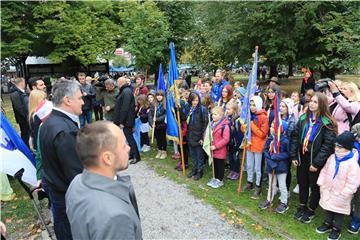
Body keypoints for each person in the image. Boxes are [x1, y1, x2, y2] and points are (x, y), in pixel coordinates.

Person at [66, 121, 142, 240]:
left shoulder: (77, 182)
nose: (128, 148)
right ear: (107, 158)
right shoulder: (116, 217)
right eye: (123, 146)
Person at [39, 79, 84, 239]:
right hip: (67, 200)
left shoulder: (49, 123)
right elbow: (76, 174)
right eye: (79, 98)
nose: (83, 102)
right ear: (67, 100)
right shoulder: (64, 130)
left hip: (58, 193)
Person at [291, 92, 337, 224]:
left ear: (322, 104)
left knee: (314, 185)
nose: (311, 103)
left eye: (315, 102)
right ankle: (302, 206)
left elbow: (328, 145)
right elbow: (295, 136)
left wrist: (316, 163)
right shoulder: (303, 118)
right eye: (311, 101)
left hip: (315, 158)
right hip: (303, 155)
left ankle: (311, 209)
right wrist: (294, 155)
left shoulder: (327, 123)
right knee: (302, 182)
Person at [316, 131, 360, 240]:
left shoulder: (352, 164)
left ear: (348, 147)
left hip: (341, 193)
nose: (337, 148)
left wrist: (345, 193)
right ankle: (327, 223)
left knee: (338, 212)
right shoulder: (332, 157)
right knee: (328, 208)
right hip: (329, 189)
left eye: (340, 147)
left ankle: (336, 229)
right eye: (336, 146)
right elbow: (325, 170)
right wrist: (321, 182)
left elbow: (353, 181)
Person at [259, 120, 290, 214]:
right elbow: (265, 150)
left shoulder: (285, 141)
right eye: (271, 126)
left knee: (282, 185)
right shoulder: (270, 139)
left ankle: (284, 202)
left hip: (281, 167)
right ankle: (269, 200)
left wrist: (278, 156)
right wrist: (270, 159)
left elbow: (288, 154)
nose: (271, 128)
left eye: (273, 127)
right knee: (271, 184)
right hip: (271, 165)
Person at [241, 96, 269, 199]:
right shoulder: (249, 115)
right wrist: (244, 127)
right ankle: (249, 181)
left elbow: (262, 134)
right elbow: (244, 129)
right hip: (249, 144)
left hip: (258, 145)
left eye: (254, 105)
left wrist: (252, 125)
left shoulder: (263, 117)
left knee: (258, 167)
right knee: (249, 165)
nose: (252, 107)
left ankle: (258, 186)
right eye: (251, 105)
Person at [114, 77, 140, 164]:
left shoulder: (126, 92)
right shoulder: (125, 91)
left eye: (117, 82)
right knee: (128, 138)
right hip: (127, 119)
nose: (116, 84)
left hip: (127, 119)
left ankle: (136, 156)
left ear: (120, 82)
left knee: (130, 138)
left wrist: (121, 121)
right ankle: (132, 155)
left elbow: (125, 108)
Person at [186, 92, 208, 181]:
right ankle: (194, 168)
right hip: (190, 135)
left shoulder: (202, 110)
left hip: (198, 136)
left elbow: (205, 124)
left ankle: (200, 170)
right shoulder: (189, 108)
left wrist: (203, 137)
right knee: (192, 154)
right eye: (193, 100)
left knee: (199, 155)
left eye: (197, 100)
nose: (195, 102)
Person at [207, 106, 230, 188]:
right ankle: (215, 177)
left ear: (220, 115)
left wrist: (216, 146)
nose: (213, 116)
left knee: (220, 165)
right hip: (212, 149)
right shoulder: (211, 124)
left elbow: (225, 139)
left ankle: (219, 180)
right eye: (212, 114)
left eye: (215, 114)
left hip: (220, 150)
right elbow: (208, 134)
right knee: (215, 164)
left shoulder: (225, 126)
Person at [225, 101, 243, 180]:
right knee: (230, 157)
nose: (227, 110)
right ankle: (231, 170)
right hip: (230, 142)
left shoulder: (238, 120)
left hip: (236, 143)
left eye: (229, 109)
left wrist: (239, 145)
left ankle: (236, 171)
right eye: (227, 109)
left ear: (234, 110)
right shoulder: (228, 118)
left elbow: (239, 134)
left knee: (235, 157)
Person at [10, 77, 30, 147]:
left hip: (25, 117)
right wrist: (26, 116)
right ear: (21, 83)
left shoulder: (22, 91)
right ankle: (26, 148)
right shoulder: (15, 93)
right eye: (24, 82)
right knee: (25, 134)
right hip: (22, 118)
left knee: (28, 133)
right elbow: (19, 107)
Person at [149, 90, 167, 159]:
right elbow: (150, 115)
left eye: (161, 95)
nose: (159, 97)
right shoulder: (153, 104)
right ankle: (159, 150)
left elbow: (165, 115)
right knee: (158, 138)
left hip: (162, 124)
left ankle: (164, 151)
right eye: (157, 95)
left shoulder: (165, 104)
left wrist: (157, 119)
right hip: (155, 124)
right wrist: (151, 123)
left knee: (162, 138)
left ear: (163, 96)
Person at [349, 123, 360, 234]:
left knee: (358, 198)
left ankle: (356, 221)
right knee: (351, 194)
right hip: (351, 172)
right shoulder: (353, 143)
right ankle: (352, 212)